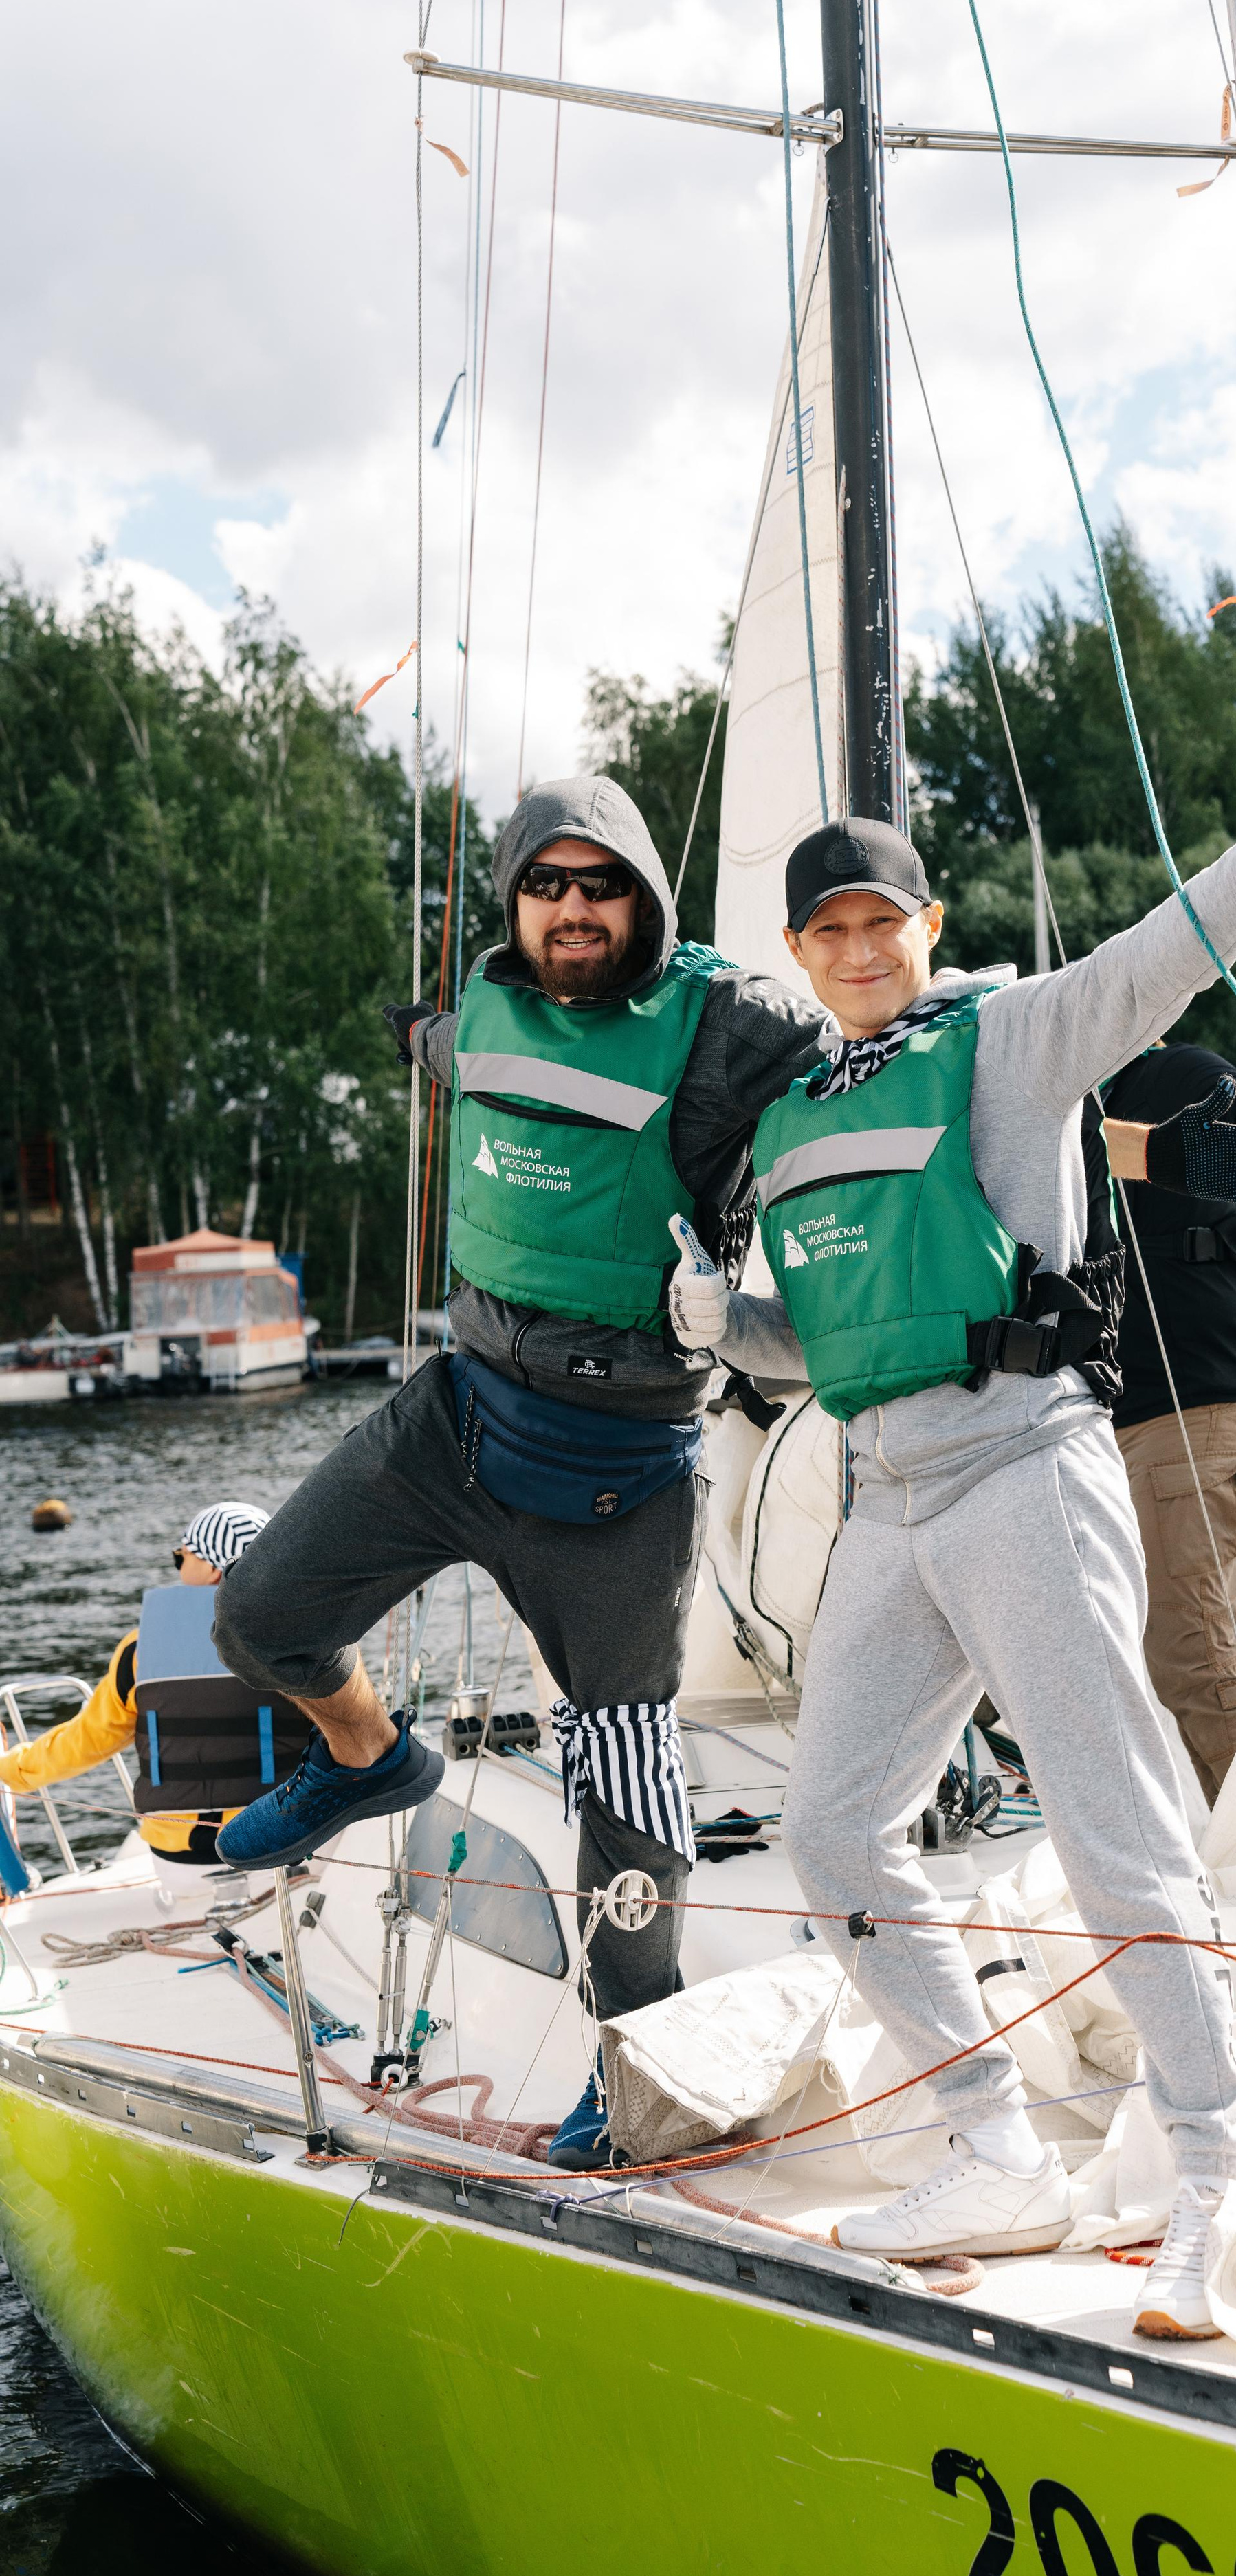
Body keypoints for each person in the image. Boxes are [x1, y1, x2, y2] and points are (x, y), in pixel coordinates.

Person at [674, 716, 1236, 2335]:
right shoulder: (796, 1116)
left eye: (882, 920)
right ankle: (992, 2144)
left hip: (1023, 1475)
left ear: (924, 926)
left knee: (1109, 1829)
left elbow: (1161, 955)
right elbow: (833, 1343)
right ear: (798, 953)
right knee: (832, 1833)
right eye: (827, 930)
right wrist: (723, 1323)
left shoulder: (1007, 1039)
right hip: (886, 1500)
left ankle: (1210, 2168)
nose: (859, 949)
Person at [210, 773, 830, 2168]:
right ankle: (371, 1760)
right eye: (545, 885)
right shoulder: (479, 1012)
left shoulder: (728, 1027)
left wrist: (954, 1003)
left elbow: (866, 1036)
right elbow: (439, 1045)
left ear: (645, 897)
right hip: (457, 1418)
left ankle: (640, 2064)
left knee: (629, 1786)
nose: (573, 910)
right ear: (512, 901)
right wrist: (408, 1032)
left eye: (601, 884)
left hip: (618, 1467)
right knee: (258, 1619)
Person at [1100, 936, 1236, 1802]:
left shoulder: (1176, 1071)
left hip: (1192, 1407)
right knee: (1177, 1637)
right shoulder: (1075, 1110)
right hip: (1140, 1417)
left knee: (1186, 1647)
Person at [0, 1502, 298, 1872]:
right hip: (284, 1843)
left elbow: (87, 1741)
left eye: (181, 1556)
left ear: (211, 1568)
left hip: (182, 1861)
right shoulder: (303, 1636)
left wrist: (10, 1770)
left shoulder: (140, 1649)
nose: (178, 1565)